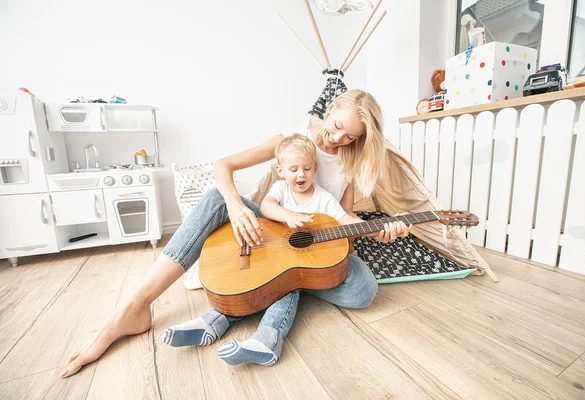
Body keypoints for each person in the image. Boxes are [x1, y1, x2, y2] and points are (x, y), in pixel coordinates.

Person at [61, 89, 408, 378]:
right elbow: (222, 166)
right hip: (270, 230)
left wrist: (378, 230)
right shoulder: (287, 143)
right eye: (335, 127)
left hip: (307, 246)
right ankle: (133, 308)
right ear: (330, 109)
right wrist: (236, 205)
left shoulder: (348, 162)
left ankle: (272, 284)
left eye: (350, 137)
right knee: (215, 197)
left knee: (364, 289)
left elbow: (345, 219)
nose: (336, 139)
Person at [161, 134, 410, 366]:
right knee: (278, 279)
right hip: (270, 251)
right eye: (293, 170)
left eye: (306, 169)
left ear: (315, 168)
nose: (300, 175)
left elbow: (345, 221)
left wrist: (378, 228)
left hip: (297, 265)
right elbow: (267, 207)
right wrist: (287, 215)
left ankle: (265, 341)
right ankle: (208, 323)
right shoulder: (280, 189)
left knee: (288, 280)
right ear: (281, 171)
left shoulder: (324, 199)